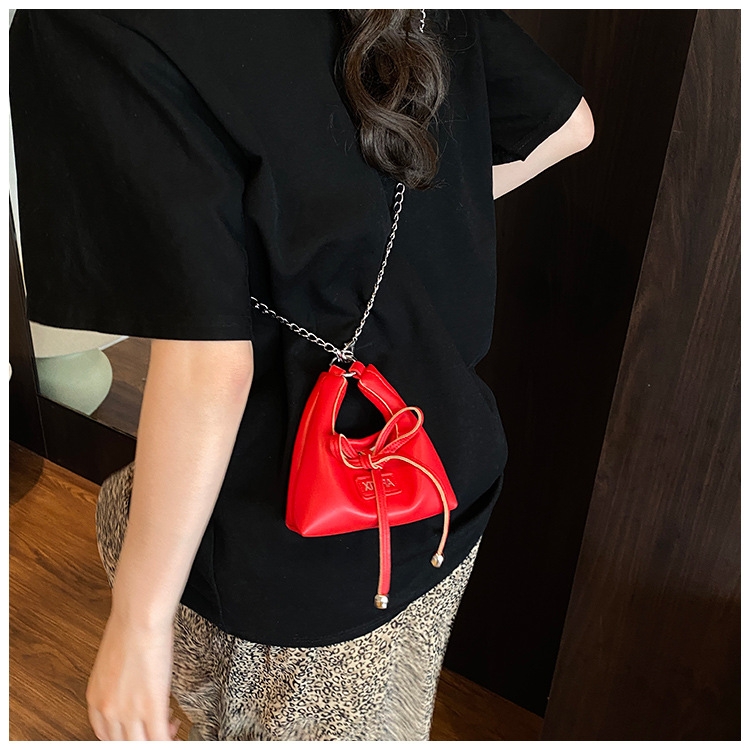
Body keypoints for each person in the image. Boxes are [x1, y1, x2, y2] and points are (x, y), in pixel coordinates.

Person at [9, 9, 594, 741]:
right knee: (394, 715)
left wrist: (138, 619)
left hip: (306, 544)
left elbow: (209, 363)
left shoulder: (97, 25)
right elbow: (568, 126)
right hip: (449, 470)